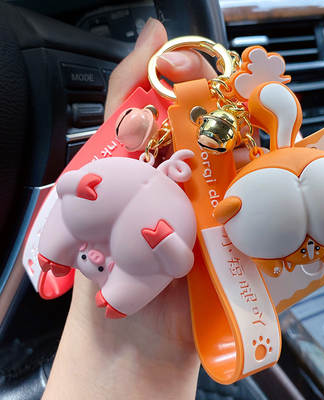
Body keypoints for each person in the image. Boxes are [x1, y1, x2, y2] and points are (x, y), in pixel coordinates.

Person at [42, 17, 260, 399]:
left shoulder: (162, 212)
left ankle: (96, 284)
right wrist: (80, 185)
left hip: (135, 256)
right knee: (71, 224)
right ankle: (57, 258)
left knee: (86, 237)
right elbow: (66, 186)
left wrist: (165, 242)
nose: (96, 260)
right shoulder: (125, 181)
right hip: (116, 231)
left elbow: (181, 264)